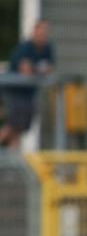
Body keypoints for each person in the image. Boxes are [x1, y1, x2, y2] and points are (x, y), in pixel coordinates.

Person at [0, 20, 54, 150]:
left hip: (27, 95)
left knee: (19, 129)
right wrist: (39, 70)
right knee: (13, 125)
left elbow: (50, 68)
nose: (43, 35)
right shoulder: (25, 48)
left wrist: (35, 69)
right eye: (41, 32)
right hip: (13, 92)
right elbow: (26, 70)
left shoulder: (47, 48)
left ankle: (13, 157)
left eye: (45, 33)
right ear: (35, 32)